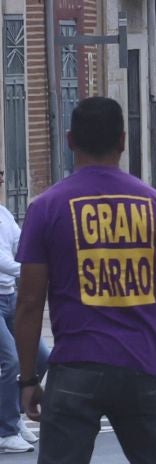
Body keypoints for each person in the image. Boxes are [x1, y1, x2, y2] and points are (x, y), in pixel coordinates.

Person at [16, 98, 156, 463]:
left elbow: (29, 302)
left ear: (69, 140)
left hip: (76, 364)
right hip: (142, 364)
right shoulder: (154, 205)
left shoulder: (46, 208)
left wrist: (28, 379)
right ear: (123, 141)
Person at [0, 176, 34, 453]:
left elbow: (20, 243)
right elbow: (2, 259)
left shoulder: (3, 213)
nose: (1, 179)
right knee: (11, 360)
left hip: (9, 296)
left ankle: (12, 415)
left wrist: (34, 257)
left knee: (39, 357)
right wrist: (30, 269)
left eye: (1, 174)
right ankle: (5, 431)